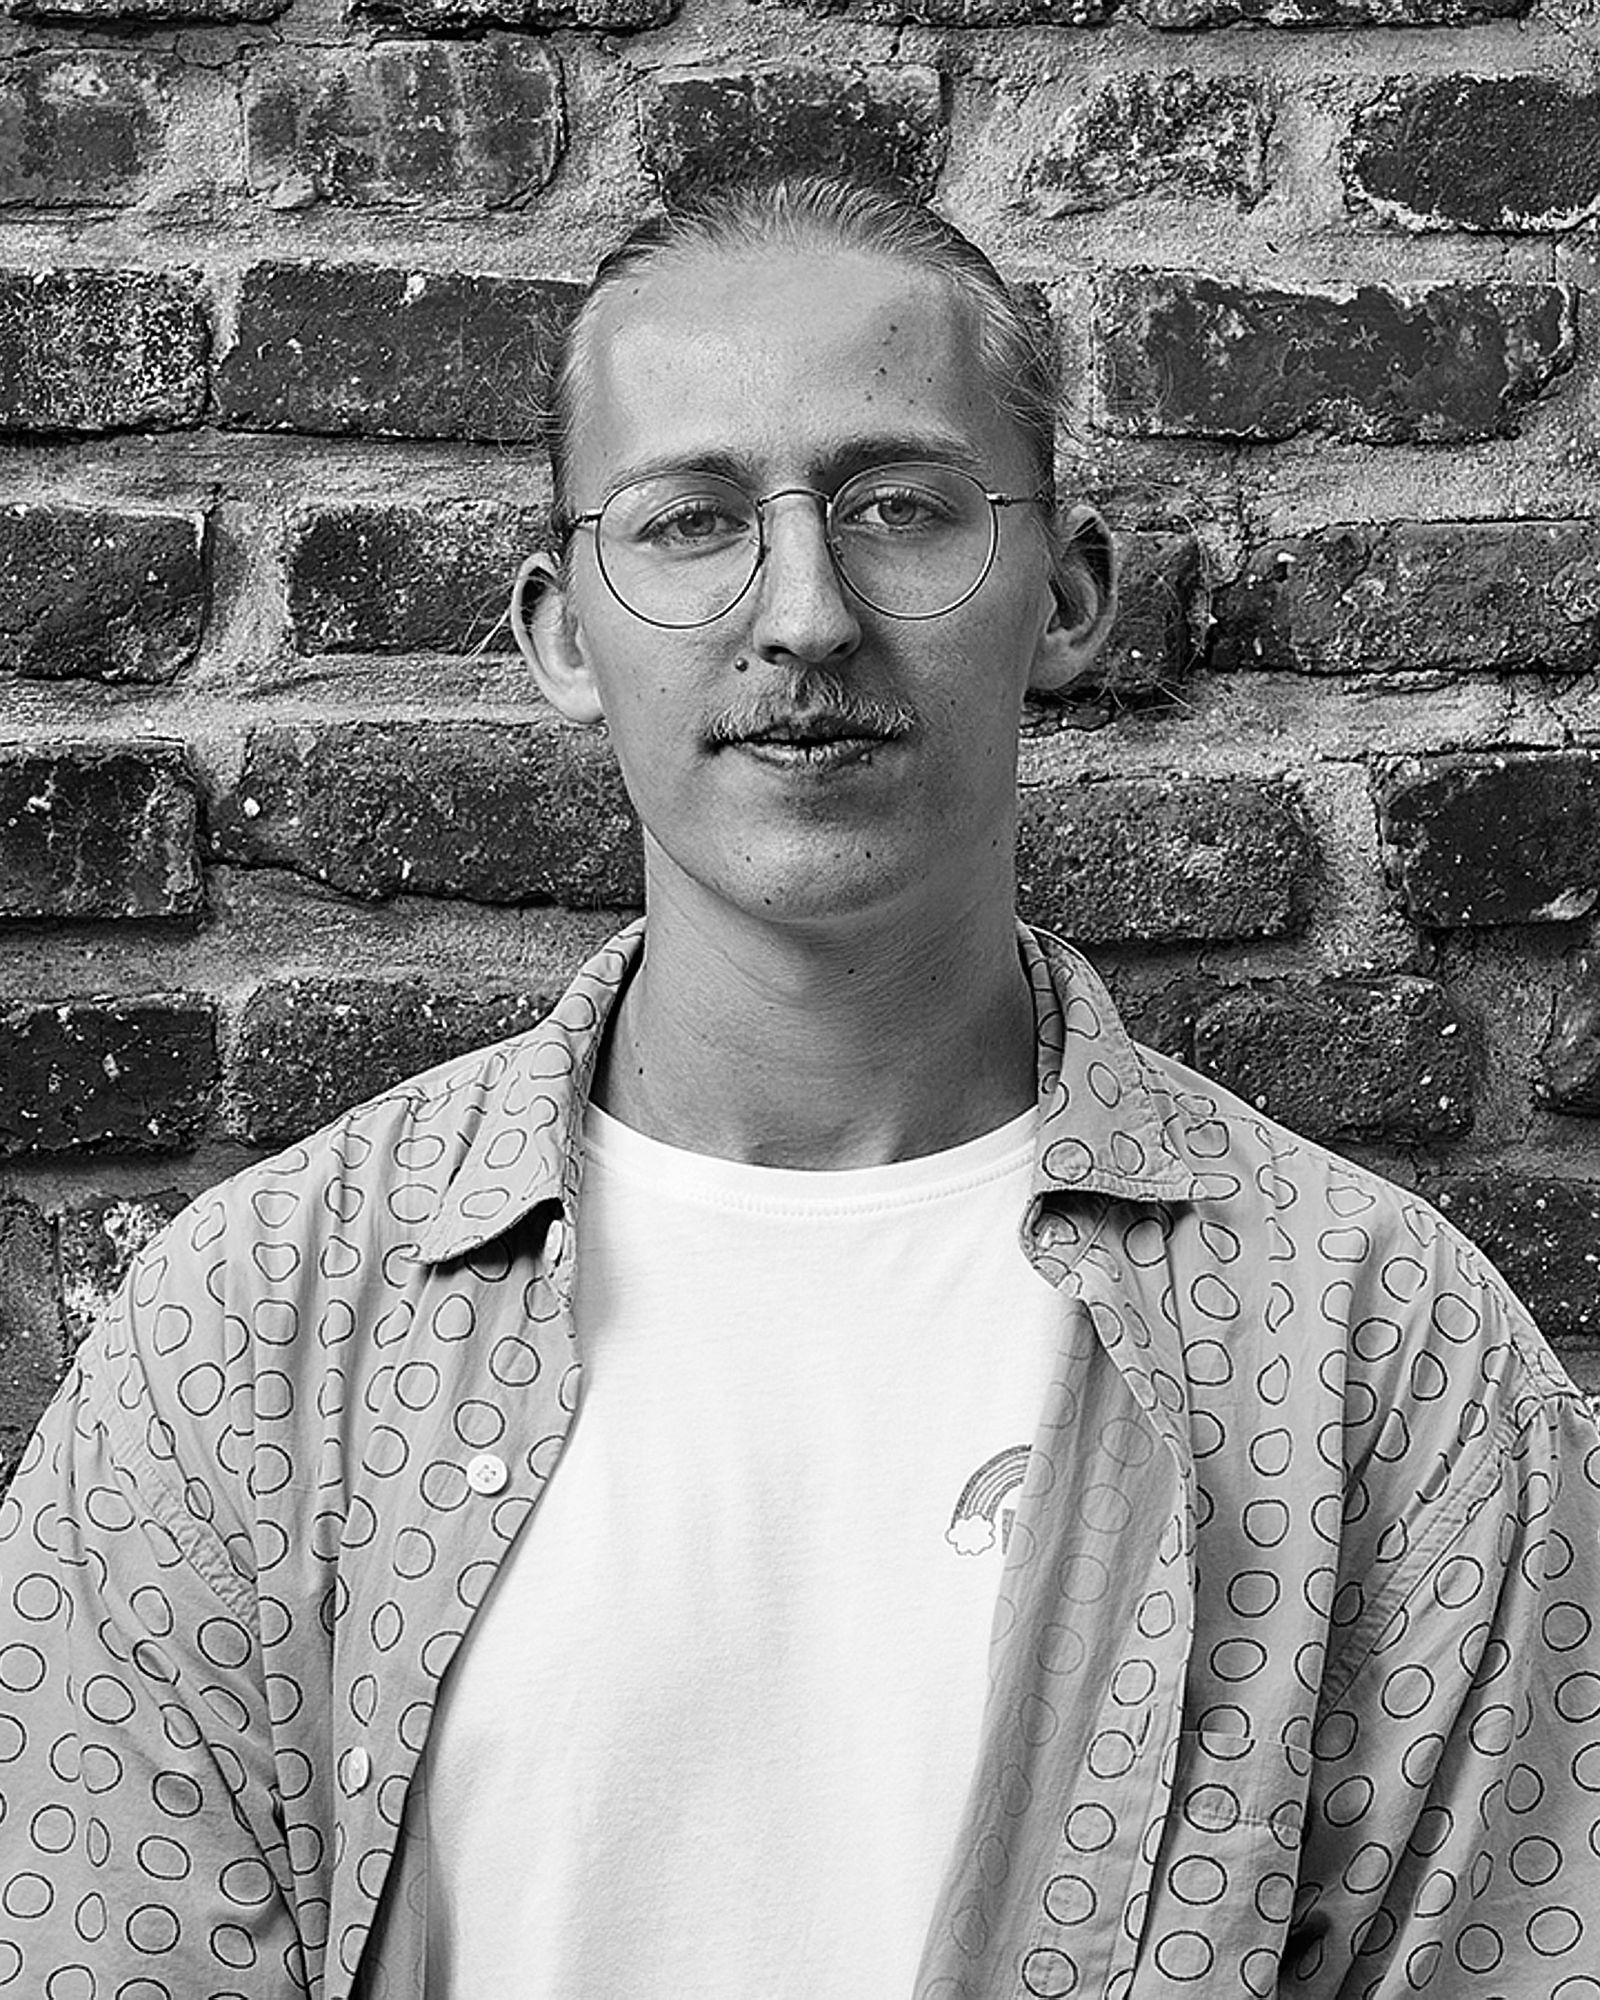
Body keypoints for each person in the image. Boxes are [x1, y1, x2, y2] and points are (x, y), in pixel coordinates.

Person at [3, 175, 1600, 2000]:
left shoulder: (1382, 1359)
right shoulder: (245, 1336)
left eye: (900, 506)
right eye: (691, 522)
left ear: (1068, 593)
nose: (808, 615)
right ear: (560, 632)